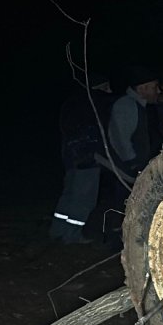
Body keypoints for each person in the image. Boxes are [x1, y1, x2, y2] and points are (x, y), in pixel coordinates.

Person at [50, 74, 115, 244]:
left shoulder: (72, 102)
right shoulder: (98, 102)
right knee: (84, 198)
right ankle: (72, 234)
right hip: (88, 158)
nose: (110, 88)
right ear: (101, 85)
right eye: (107, 85)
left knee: (69, 194)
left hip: (70, 157)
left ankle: (57, 231)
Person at [105, 66, 161, 182]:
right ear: (142, 89)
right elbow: (120, 139)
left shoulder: (139, 105)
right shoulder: (126, 105)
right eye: (154, 87)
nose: (158, 90)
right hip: (126, 173)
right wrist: (133, 164)